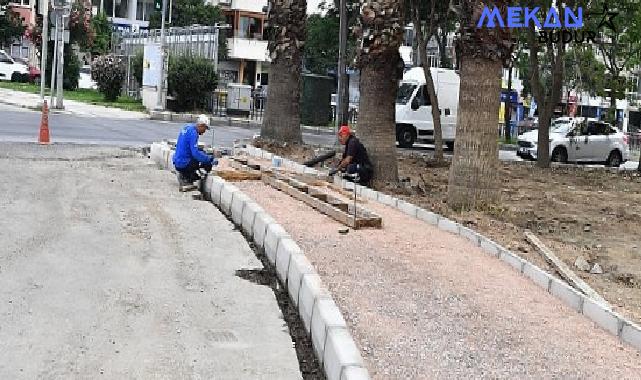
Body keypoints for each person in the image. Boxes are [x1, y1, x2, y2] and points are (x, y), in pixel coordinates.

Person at [173, 114, 217, 191]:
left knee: (201, 154)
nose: (204, 132)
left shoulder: (187, 128)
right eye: (205, 129)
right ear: (201, 125)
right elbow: (195, 154)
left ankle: (184, 175)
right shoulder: (194, 133)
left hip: (177, 161)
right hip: (183, 164)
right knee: (205, 163)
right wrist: (209, 159)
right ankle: (187, 180)